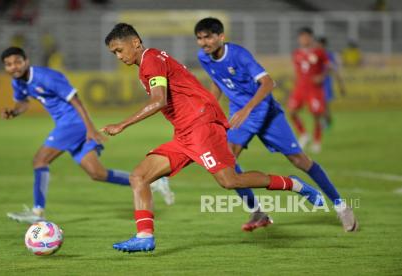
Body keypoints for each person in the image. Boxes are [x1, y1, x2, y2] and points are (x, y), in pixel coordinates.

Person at [101, 23, 325, 253]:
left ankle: (294, 184)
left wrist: (122, 124)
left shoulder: (151, 59)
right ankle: (144, 236)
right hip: (185, 132)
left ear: (135, 42)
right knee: (139, 176)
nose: (118, 56)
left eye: (119, 49)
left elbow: (160, 101)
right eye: (114, 53)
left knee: (230, 182)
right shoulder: (150, 60)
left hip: (201, 126)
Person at [194, 18, 357, 233]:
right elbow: (218, 81)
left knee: (299, 159)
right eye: (199, 38)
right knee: (227, 161)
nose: (204, 42)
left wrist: (248, 108)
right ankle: (257, 211)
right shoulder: (203, 57)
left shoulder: (239, 55)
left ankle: (341, 206)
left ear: (221, 37)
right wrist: (208, 109)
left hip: (264, 111)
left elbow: (268, 82)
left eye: (208, 37)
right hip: (240, 114)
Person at [0, 47, 174, 224]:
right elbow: (22, 103)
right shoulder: (18, 82)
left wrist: (89, 128)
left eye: (17, 62)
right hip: (68, 126)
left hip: (73, 124)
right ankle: (153, 182)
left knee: (40, 160)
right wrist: (14, 112)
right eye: (8, 64)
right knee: (97, 173)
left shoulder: (47, 77)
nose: (14, 67)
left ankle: (37, 212)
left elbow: (76, 100)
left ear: (26, 61)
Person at [289, 27, 328, 153]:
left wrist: (321, 76)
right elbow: (298, 70)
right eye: (302, 37)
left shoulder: (319, 52)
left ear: (311, 38)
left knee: (317, 115)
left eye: (306, 37)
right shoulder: (296, 53)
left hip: (314, 89)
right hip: (300, 87)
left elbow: (328, 66)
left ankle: (317, 141)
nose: (304, 39)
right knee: (292, 111)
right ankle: (304, 134)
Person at [317, 37, 346, 128]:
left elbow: (335, 70)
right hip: (317, 83)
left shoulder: (329, 56)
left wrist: (341, 85)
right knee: (320, 104)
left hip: (326, 81)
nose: (318, 46)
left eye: (320, 44)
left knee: (324, 104)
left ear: (324, 45)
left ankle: (327, 123)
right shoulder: (314, 55)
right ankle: (326, 122)